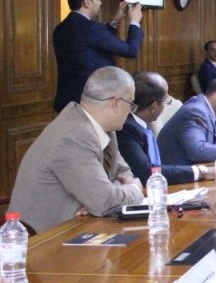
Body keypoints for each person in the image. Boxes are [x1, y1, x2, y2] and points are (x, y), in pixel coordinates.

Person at [11, 66, 143, 233]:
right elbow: (107, 202)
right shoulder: (74, 135)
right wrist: (134, 189)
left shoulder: (104, 128)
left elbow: (123, 174)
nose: (130, 112)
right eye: (131, 105)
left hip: (78, 229)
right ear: (116, 103)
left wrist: (103, 197)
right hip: (41, 240)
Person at [52, 0, 143, 113]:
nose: (100, 2)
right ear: (87, 2)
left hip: (67, 100)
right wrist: (134, 22)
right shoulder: (91, 28)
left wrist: (115, 20)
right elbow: (131, 50)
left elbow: (95, 42)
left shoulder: (61, 28)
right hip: (89, 102)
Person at [117, 72, 213, 185]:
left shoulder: (141, 125)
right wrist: (199, 172)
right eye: (165, 101)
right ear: (154, 107)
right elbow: (146, 172)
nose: (165, 105)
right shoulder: (126, 130)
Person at [157, 76, 216, 165]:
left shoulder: (214, 113)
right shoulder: (195, 111)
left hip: (200, 169)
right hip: (179, 171)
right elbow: (198, 151)